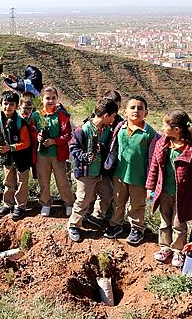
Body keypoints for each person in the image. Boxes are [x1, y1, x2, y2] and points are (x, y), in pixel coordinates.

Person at [146, 110, 192, 266]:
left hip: (184, 195)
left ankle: (177, 251)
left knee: (179, 223)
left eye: (165, 124)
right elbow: (154, 166)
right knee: (164, 221)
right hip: (165, 191)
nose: (162, 127)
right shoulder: (162, 142)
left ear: (177, 129)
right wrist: (150, 187)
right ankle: (164, 247)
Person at [103, 95, 159, 245]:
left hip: (139, 177)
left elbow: (155, 157)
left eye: (140, 108)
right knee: (118, 202)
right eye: (132, 107)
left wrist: (151, 181)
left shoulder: (149, 133)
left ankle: (137, 228)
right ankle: (116, 224)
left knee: (137, 204)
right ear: (125, 111)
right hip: (120, 175)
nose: (136, 111)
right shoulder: (119, 128)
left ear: (146, 113)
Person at [67, 98, 119, 242]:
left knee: (107, 194)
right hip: (86, 173)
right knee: (83, 200)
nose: (114, 120)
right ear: (106, 115)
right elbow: (73, 147)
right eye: (113, 116)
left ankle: (96, 216)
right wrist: (85, 156)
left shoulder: (107, 130)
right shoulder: (83, 130)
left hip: (100, 172)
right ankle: (73, 225)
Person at [35, 87, 75, 217]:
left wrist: (55, 141)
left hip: (58, 155)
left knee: (62, 181)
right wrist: (37, 136)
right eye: (47, 98)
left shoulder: (62, 116)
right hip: (42, 155)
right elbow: (30, 130)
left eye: (53, 98)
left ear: (57, 99)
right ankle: (46, 203)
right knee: (44, 180)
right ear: (42, 100)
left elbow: (68, 134)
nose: (50, 101)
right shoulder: (37, 115)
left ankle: (69, 203)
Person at [86, 89, 123, 227]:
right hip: (93, 162)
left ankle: (102, 215)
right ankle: (87, 213)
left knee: (108, 192)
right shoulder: (92, 119)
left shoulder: (119, 122)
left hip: (108, 162)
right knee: (90, 192)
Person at [0, 91, 32, 221]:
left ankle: (20, 206)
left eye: (11, 104)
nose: (8, 107)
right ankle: (7, 204)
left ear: (16, 106)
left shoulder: (20, 123)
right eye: (5, 104)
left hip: (22, 158)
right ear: (1, 104)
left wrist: (10, 147)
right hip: (7, 158)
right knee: (8, 181)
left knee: (22, 182)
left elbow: (26, 143)